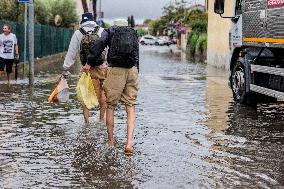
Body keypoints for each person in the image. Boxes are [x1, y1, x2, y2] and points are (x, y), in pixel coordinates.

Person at [83, 19, 139, 155]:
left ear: (114, 24)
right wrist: (137, 71)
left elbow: (99, 44)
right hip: (132, 70)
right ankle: (129, 144)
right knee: (130, 106)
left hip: (116, 70)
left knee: (111, 106)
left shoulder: (110, 31)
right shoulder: (133, 33)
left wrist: (89, 63)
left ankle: (111, 141)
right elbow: (136, 54)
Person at [62, 12, 108, 124]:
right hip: (103, 67)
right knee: (103, 93)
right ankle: (102, 120)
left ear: (82, 22)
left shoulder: (78, 33)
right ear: (93, 20)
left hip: (87, 69)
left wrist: (65, 68)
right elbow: (108, 49)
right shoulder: (102, 31)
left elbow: (71, 52)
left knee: (85, 95)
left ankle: (87, 123)